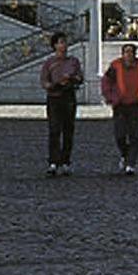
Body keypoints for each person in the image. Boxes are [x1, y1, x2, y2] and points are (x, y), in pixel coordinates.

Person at [100, 42, 138, 174]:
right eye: (126, 52)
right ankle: (125, 155)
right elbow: (106, 81)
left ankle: (131, 163)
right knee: (120, 135)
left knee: (135, 135)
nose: (129, 54)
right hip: (120, 104)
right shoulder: (115, 67)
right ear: (122, 54)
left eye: (131, 52)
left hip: (136, 105)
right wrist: (110, 96)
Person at [39, 33, 83, 176]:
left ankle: (65, 161)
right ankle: (53, 161)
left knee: (68, 130)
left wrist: (71, 78)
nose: (64, 45)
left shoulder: (73, 61)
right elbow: (44, 81)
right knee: (54, 130)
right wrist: (53, 84)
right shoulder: (49, 63)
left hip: (69, 96)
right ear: (55, 45)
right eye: (61, 42)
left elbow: (80, 77)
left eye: (65, 42)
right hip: (54, 97)